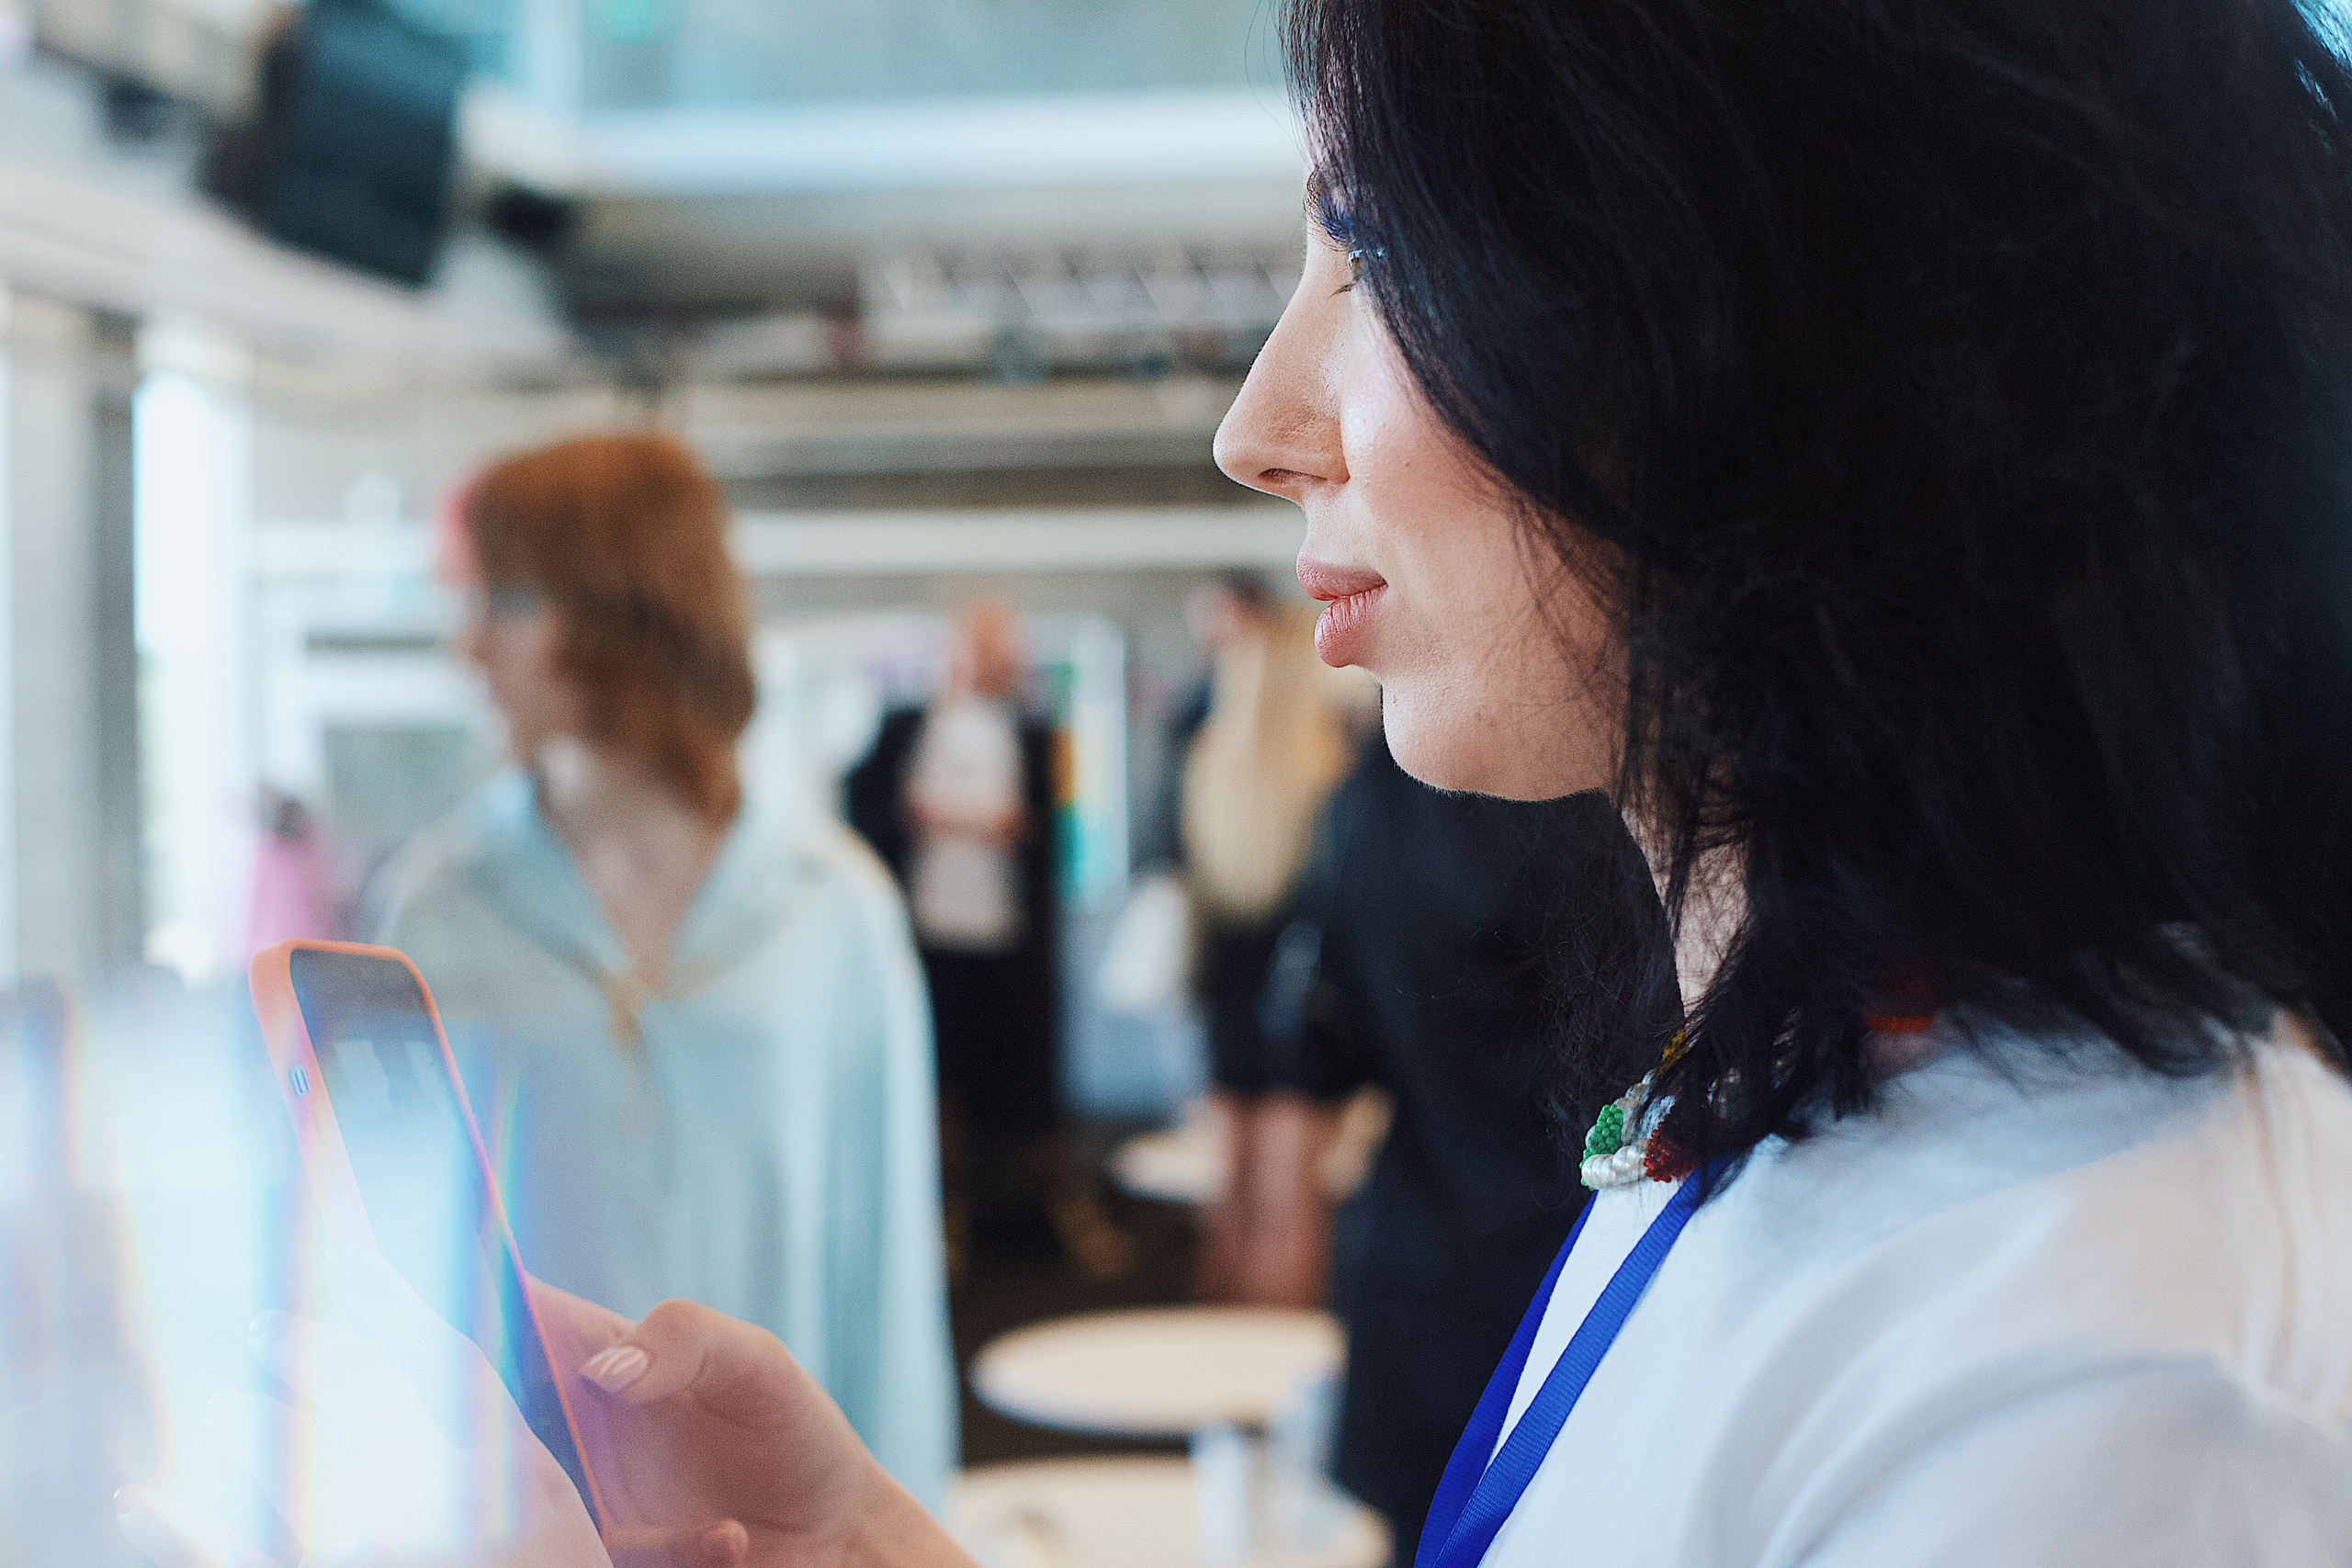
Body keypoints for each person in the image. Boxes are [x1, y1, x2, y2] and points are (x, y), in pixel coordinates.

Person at [119, 0, 2352, 1562]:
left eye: (1368, 254)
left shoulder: (2109, 1380)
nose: (1256, 420)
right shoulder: (1807, 1096)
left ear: (1742, 312)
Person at [369, 434, 956, 1507]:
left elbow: (886, 1279)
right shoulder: (437, 907)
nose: (469, 651)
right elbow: (400, 1266)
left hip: (780, 1516)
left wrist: (897, 1533)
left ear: (614, 610)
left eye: (502, 602)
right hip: (529, 1518)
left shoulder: (834, 910)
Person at [1231, 735, 1671, 1542]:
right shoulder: (1626, 797)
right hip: (1588, 1269)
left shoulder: (1384, 786)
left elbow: (1329, 1039)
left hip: (1423, 1267)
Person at [844, 602, 1076, 1268]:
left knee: (1007, 1085)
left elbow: (1050, 835)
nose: (983, 661)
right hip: (927, 938)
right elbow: (864, 807)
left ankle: (1009, 1223)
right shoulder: (906, 727)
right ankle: (931, 1218)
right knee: (930, 1076)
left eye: (995, 649)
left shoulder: (1030, 732)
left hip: (1007, 940)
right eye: (972, 647)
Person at [1163, 572, 1363, 1302]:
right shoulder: (1330, 767)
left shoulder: (1204, 761)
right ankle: (1271, 1396)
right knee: (1290, 1203)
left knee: (1226, 1195)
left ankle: (1214, 1390)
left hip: (1226, 993)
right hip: (1301, 1007)